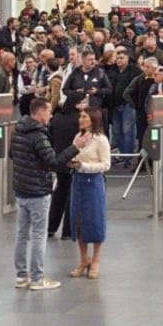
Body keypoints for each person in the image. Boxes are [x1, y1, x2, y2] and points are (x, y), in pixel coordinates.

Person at [10, 97, 84, 291]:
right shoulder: (38, 135)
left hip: (21, 188)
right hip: (37, 191)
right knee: (38, 234)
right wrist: (75, 147)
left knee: (21, 234)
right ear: (39, 112)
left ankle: (21, 276)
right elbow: (54, 162)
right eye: (48, 111)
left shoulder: (18, 130)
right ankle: (37, 277)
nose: (51, 115)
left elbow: (12, 154)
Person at [67, 107, 111, 279]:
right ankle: (83, 259)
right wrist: (72, 163)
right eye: (80, 116)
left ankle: (96, 259)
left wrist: (85, 166)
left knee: (95, 221)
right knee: (78, 221)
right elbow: (73, 152)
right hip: (77, 182)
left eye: (84, 116)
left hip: (93, 183)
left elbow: (106, 165)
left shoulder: (101, 140)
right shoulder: (78, 137)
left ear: (93, 119)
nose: (81, 119)